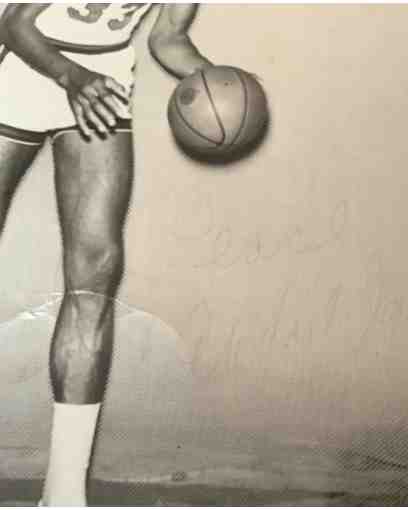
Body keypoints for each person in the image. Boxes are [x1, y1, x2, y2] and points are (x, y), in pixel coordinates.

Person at [0, 4, 212, 506]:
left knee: (96, 271)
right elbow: (14, 23)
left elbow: (168, 38)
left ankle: (64, 494)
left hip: (102, 76)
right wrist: (72, 77)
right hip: (16, 67)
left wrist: (215, 80)